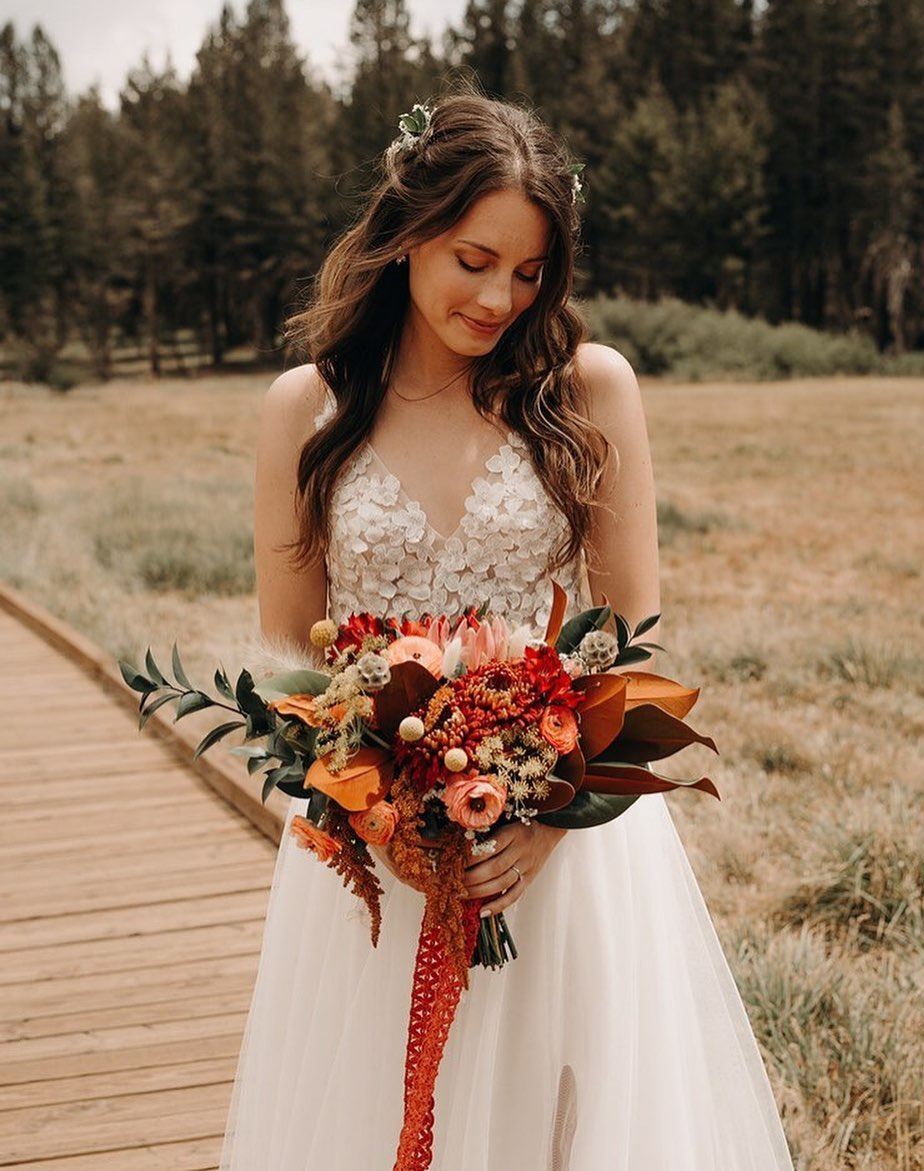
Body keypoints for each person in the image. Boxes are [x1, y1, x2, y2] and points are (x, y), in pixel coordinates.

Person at [219, 87, 795, 1171]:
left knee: (567, 1107)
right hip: (380, 832)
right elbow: (293, 622)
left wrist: (546, 810)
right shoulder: (308, 404)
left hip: (555, 835)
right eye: (474, 259)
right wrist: (393, 776)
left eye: (529, 273)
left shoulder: (586, 387)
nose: (499, 297)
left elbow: (627, 627)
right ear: (405, 237)